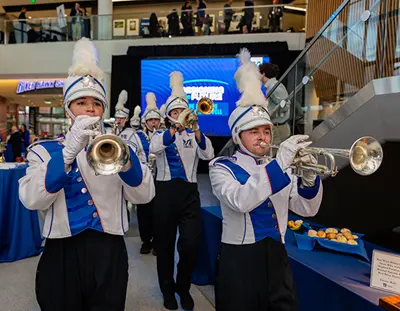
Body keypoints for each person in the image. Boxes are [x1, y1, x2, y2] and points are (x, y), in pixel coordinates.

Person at [18, 38, 155, 311]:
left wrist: (124, 160)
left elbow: (145, 195)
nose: (90, 108)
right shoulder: (43, 151)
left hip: (109, 250)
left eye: (96, 103)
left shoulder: (121, 147)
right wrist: (68, 153)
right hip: (61, 252)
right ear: (68, 110)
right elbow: (31, 199)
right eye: (81, 102)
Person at [209, 48, 323, 311]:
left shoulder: (277, 166)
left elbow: (307, 208)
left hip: (278, 257)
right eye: (253, 132)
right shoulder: (221, 167)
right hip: (239, 259)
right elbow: (241, 200)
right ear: (237, 137)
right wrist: (281, 163)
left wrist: (308, 178)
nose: (262, 137)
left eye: (266, 131)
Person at [150, 71, 214, 310]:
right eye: (175, 113)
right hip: (165, 193)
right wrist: (174, 130)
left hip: (189, 194)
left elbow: (208, 155)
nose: (179, 116)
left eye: (182, 112)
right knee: (165, 245)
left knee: (190, 244)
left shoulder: (195, 135)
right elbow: (155, 148)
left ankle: (183, 287)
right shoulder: (161, 134)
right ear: (168, 115)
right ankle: (167, 289)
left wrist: (196, 131)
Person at [135, 92, 163, 255]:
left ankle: (158, 241)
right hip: (144, 178)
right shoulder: (137, 136)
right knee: (143, 211)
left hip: (160, 179)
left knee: (159, 212)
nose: (154, 123)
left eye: (156, 120)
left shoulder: (164, 136)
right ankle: (146, 241)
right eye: (151, 120)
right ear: (145, 122)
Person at [259, 62, 290, 146]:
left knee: (273, 155)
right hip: (276, 127)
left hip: (278, 128)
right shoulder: (271, 86)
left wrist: (270, 114)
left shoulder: (274, 86)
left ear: (263, 74)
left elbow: (284, 106)